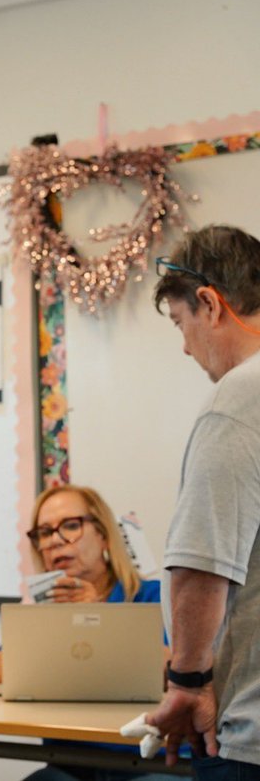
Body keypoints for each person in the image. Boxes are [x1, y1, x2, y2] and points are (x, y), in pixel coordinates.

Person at [147, 224, 260, 778]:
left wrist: (187, 681)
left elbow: (202, 561)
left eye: (180, 323)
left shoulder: (239, 396)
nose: (186, 346)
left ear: (210, 304)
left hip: (248, 736)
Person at [0, 484, 159, 685]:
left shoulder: (151, 596)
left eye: (71, 526)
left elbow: (168, 668)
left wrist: (97, 619)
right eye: (45, 532)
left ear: (104, 536)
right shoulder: (41, 607)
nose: (55, 541)